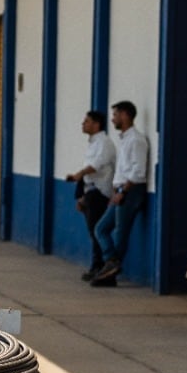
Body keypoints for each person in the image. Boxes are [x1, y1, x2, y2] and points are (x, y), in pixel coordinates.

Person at [90, 100, 149, 286]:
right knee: (101, 228)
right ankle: (112, 262)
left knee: (121, 233)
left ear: (125, 115)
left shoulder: (137, 140)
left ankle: (111, 273)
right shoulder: (124, 139)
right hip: (120, 191)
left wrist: (122, 191)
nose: (113, 119)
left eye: (115, 115)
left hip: (130, 191)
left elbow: (138, 171)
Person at [64, 110, 114, 281]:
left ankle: (101, 266)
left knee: (97, 231)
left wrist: (78, 175)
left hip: (100, 193)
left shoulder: (104, 143)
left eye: (86, 121)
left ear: (96, 124)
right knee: (93, 232)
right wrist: (80, 196)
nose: (82, 124)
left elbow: (96, 166)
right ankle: (96, 266)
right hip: (90, 192)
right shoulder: (92, 144)